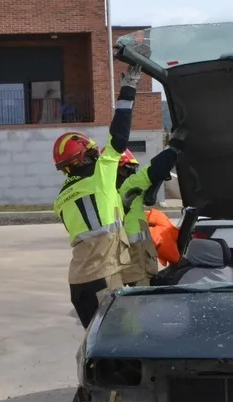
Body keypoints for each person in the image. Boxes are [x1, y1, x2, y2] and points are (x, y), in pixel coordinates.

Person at [54, 62, 144, 328]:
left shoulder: (60, 199)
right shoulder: (100, 174)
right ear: (85, 156)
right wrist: (128, 91)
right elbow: (118, 137)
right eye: (93, 152)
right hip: (104, 277)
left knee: (95, 343)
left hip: (78, 281)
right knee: (122, 340)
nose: (98, 154)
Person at [117, 129, 188, 286]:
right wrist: (175, 146)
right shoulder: (128, 186)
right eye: (127, 169)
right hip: (137, 266)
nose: (130, 173)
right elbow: (156, 168)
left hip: (125, 267)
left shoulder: (106, 193)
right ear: (120, 170)